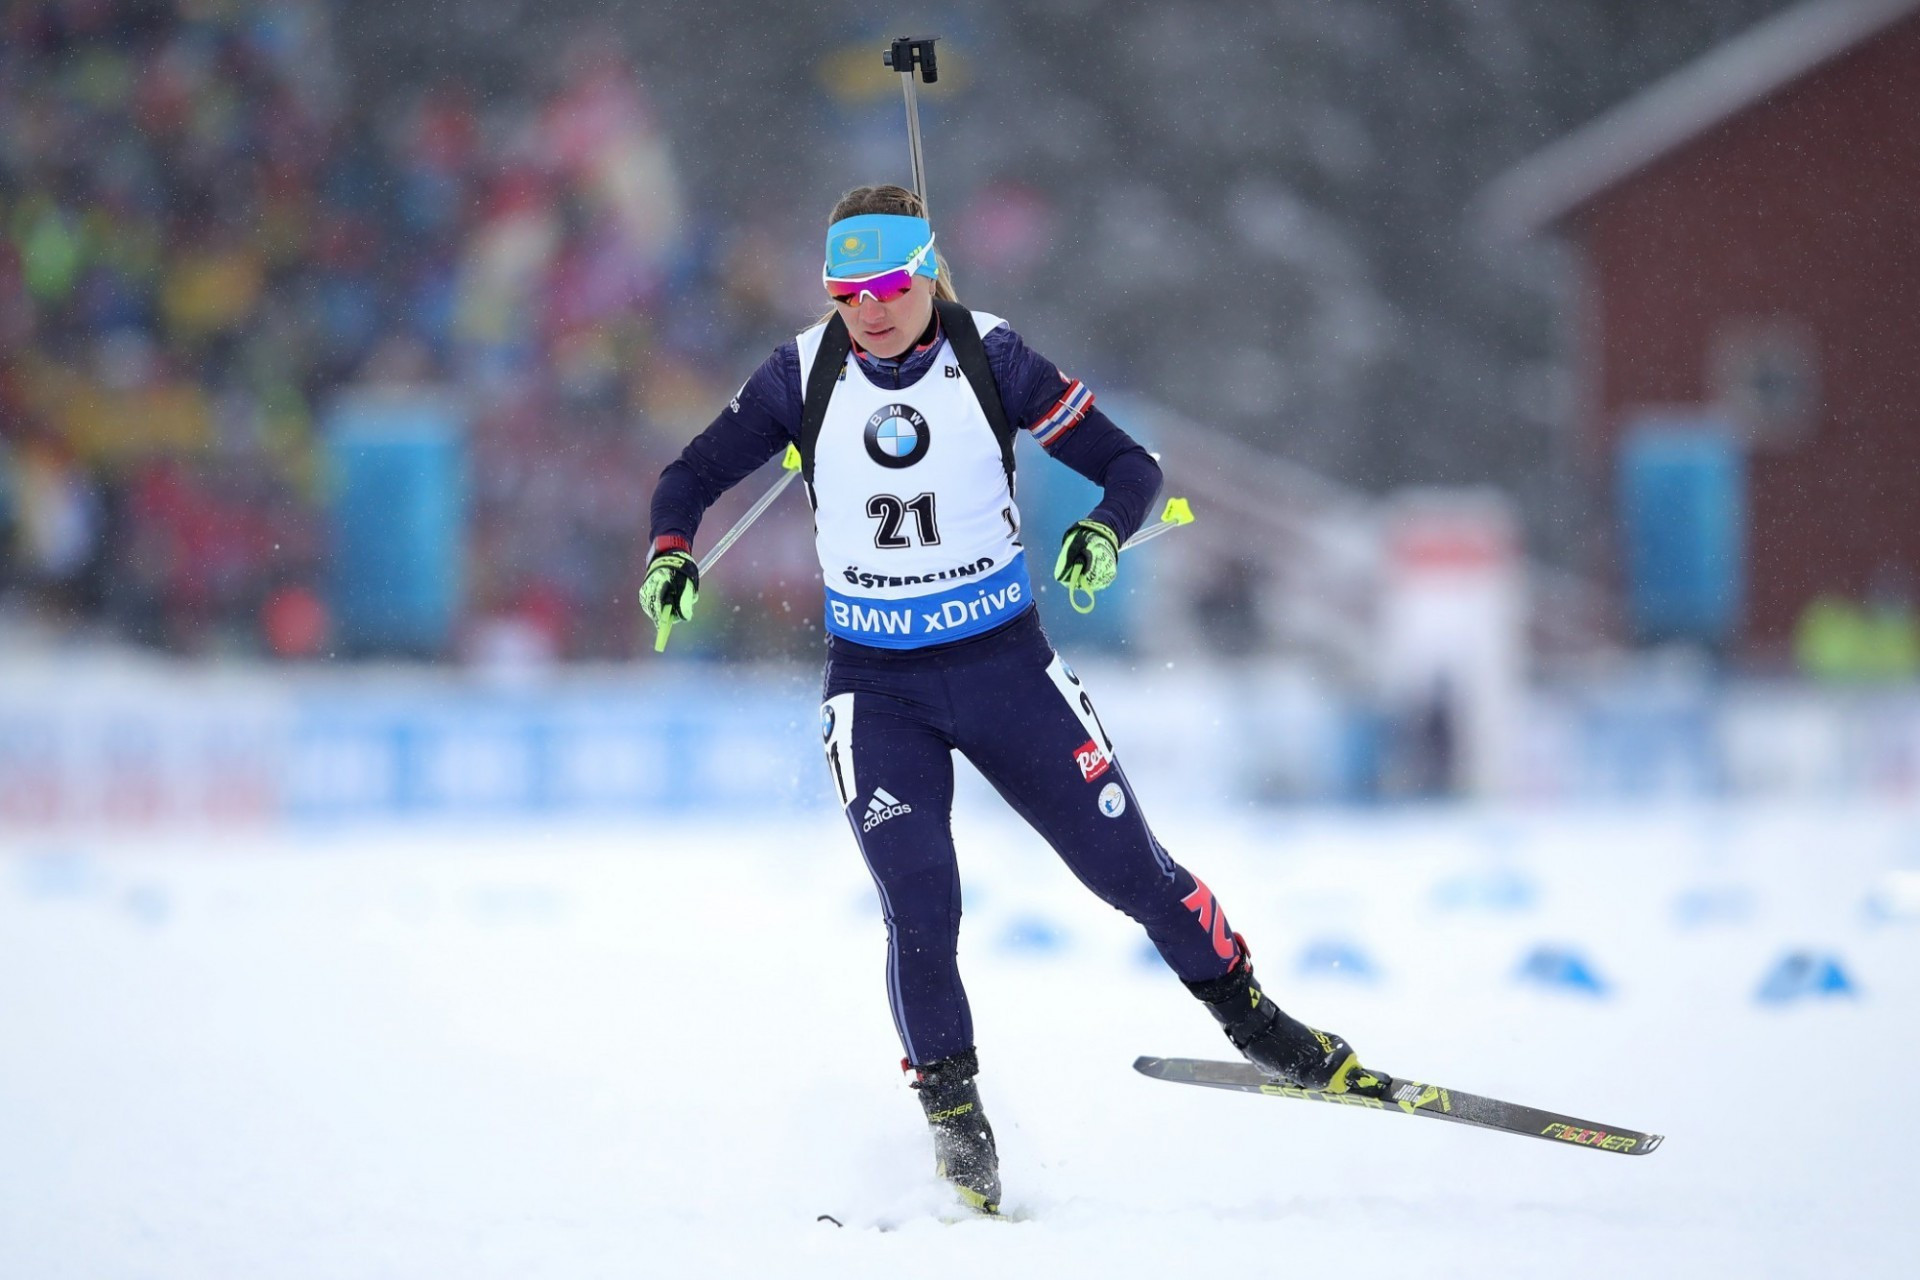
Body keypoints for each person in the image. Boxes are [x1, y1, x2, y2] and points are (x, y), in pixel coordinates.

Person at [640, 185, 1379, 1216]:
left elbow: (1129, 465)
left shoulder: (992, 356)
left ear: (929, 268)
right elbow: (690, 474)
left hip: (1006, 668)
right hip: (878, 689)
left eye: (892, 284)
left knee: (1133, 872)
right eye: (848, 291)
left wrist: (1100, 531)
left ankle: (1266, 1027)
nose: (872, 309)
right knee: (921, 903)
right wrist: (672, 552)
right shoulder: (799, 373)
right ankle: (958, 1131)